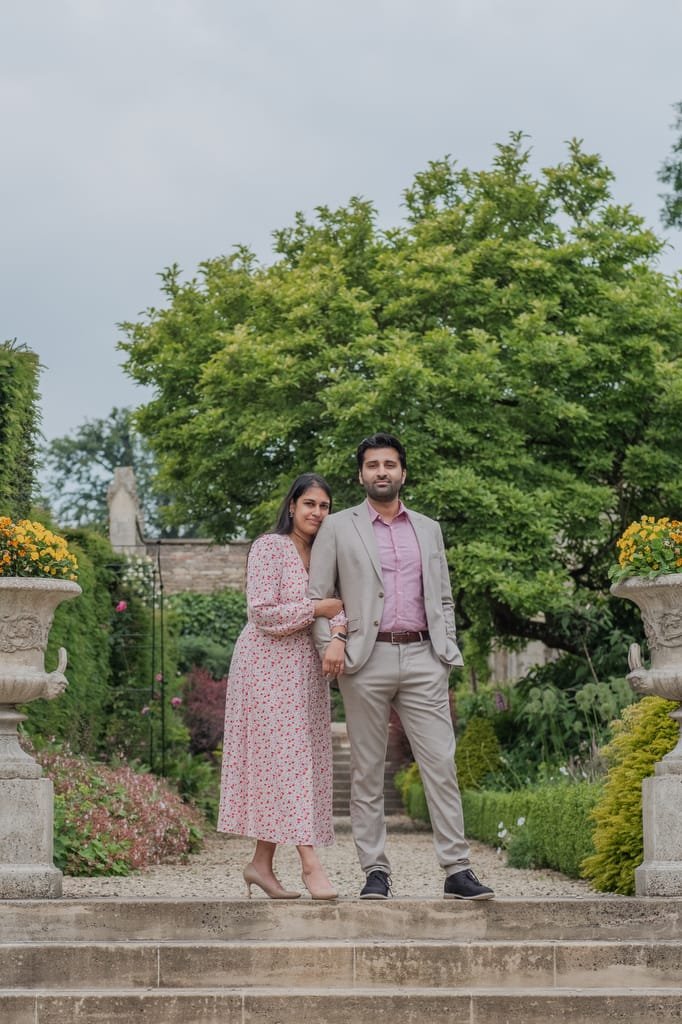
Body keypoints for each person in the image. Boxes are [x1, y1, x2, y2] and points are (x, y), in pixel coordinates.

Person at [308, 433, 494, 901]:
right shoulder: (338, 527)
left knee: (441, 765)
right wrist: (333, 646)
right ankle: (375, 871)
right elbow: (318, 598)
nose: (382, 472)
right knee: (367, 772)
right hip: (362, 661)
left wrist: (445, 652)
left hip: (423, 658)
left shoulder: (428, 528)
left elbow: (444, 596)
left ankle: (457, 870)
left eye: (390, 464)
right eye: (373, 465)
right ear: (361, 474)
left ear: (403, 473)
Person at [217, 473, 345, 900]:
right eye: (310, 504)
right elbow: (263, 613)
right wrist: (317, 608)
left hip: (307, 670)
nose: (317, 512)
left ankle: (260, 865)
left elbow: (341, 608)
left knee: (291, 764)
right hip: (265, 667)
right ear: (292, 506)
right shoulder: (269, 547)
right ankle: (311, 866)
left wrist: (339, 634)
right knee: (286, 761)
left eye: (324, 506)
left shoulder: (327, 554)